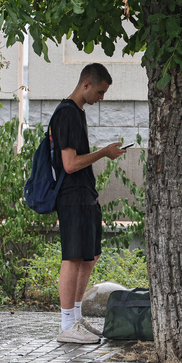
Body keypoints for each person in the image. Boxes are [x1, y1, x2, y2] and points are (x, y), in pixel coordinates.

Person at [51, 63, 126, 343]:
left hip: (85, 194)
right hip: (71, 195)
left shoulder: (77, 112)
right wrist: (103, 153)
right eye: (100, 91)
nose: (101, 98)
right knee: (72, 256)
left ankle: (77, 318)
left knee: (89, 255)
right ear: (86, 84)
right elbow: (69, 165)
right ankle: (67, 324)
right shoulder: (68, 114)